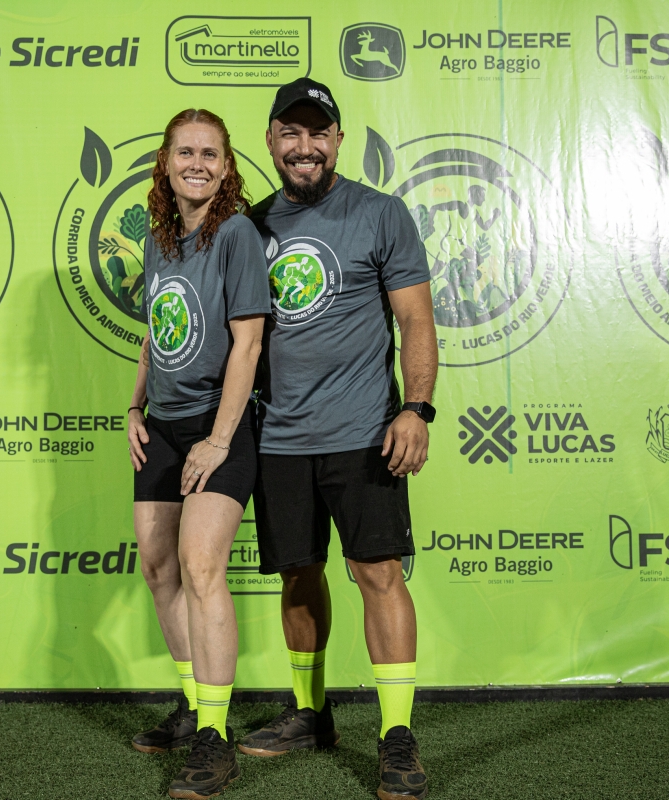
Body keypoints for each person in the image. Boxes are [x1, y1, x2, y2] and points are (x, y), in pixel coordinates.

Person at [238, 78, 439, 800]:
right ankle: (309, 713)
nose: (305, 146)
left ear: (338, 141)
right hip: (277, 437)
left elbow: (415, 319)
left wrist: (416, 408)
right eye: (291, 133)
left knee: (378, 571)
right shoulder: (248, 226)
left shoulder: (380, 213)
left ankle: (396, 733)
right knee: (297, 573)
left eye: (318, 133)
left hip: (363, 433)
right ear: (270, 140)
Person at [125, 108, 270, 799]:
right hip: (163, 425)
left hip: (220, 426)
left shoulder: (236, 232)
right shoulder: (159, 238)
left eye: (210, 153)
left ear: (226, 165)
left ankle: (214, 737)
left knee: (201, 566)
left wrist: (218, 438)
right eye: (185, 152)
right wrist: (134, 407)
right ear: (166, 161)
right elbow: (155, 332)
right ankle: (192, 706)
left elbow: (249, 342)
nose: (197, 164)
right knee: (159, 568)